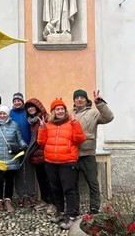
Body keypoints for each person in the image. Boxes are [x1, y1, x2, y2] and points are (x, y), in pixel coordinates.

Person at [37, 98, 86, 230]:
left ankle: (71, 215)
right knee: (55, 189)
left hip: (68, 161)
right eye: (57, 109)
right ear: (53, 111)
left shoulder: (72, 122)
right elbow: (41, 142)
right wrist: (42, 129)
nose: (60, 111)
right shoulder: (48, 124)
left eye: (62, 109)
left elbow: (80, 139)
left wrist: (75, 124)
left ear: (65, 111)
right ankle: (59, 212)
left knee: (68, 189)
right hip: (51, 162)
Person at [73, 89, 114, 215]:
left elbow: (109, 117)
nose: (79, 99)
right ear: (74, 100)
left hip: (87, 153)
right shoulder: (69, 113)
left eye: (82, 97)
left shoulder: (94, 113)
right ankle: (74, 210)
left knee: (93, 183)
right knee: (72, 185)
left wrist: (100, 103)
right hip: (72, 154)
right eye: (77, 97)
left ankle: (94, 209)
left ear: (86, 100)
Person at [0, 105, 27, 213]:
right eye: (0, 113)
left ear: (8, 114)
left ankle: (8, 200)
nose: (2, 115)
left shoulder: (14, 125)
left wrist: (24, 146)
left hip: (11, 158)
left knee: (10, 180)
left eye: (4, 113)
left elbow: (19, 139)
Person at [23, 98, 55, 213]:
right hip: (36, 154)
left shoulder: (46, 118)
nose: (31, 109)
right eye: (28, 108)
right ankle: (45, 200)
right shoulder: (31, 121)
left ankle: (53, 203)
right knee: (41, 179)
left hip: (47, 153)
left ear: (38, 107)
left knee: (50, 179)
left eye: (33, 107)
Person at [10, 92, 36, 207]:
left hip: (29, 146)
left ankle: (31, 195)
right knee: (19, 172)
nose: (17, 102)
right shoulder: (10, 114)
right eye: (15, 101)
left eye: (19, 100)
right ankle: (20, 195)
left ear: (22, 101)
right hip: (16, 147)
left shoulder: (27, 113)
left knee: (30, 172)